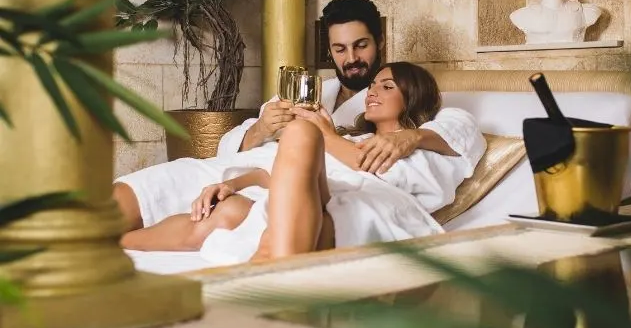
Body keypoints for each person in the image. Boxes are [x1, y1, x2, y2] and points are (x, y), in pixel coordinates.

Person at [113, 0, 485, 236]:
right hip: (238, 171)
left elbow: (461, 128)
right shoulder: (309, 93)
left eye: (360, 45)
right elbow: (231, 150)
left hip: (284, 188)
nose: (350, 58)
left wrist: (411, 136)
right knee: (138, 191)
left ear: (380, 43)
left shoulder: (411, 107)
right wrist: (260, 128)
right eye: (339, 49)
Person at [121, 63, 478, 264]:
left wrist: (322, 134)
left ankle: (276, 271)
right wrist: (234, 183)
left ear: (412, 95)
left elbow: (461, 136)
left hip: (347, 204)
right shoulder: (347, 135)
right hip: (302, 198)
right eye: (372, 85)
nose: (372, 92)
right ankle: (109, 242)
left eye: (386, 87)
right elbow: (280, 174)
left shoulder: (426, 147)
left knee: (301, 136)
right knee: (225, 211)